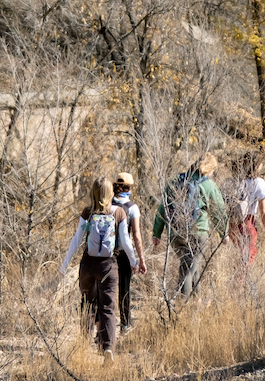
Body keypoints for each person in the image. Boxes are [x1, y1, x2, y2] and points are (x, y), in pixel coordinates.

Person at [60, 178, 137, 360]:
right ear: (111, 193)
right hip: (108, 266)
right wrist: (134, 261)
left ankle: (84, 347)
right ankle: (107, 348)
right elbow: (126, 241)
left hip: (88, 264)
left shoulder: (88, 212)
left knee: (88, 304)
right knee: (108, 307)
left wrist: (64, 265)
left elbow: (76, 239)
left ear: (93, 192)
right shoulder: (119, 212)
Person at [152, 152, 228, 300]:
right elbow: (218, 211)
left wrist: (157, 232)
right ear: (209, 169)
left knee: (192, 266)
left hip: (175, 233)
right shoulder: (208, 185)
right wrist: (223, 233)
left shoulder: (176, 180)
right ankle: (184, 307)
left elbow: (163, 207)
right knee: (187, 270)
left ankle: (196, 302)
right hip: (198, 232)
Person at [111, 171, 147, 334]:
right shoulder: (132, 207)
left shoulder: (106, 203)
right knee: (124, 289)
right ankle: (125, 324)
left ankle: (105, 325)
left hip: (106, 253)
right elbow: (136, 236)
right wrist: (140, 259)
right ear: (129, 188)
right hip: (124, 253)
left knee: (107, 290)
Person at [228, 149, 265, 275]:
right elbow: (263, 210)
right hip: (248, 223)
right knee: (246, 257)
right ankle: (239, 287)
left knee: (237, 255)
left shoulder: (233, 181)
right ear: (257, 165)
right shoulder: (259, 183)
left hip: (232, 222)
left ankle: (236, 283)